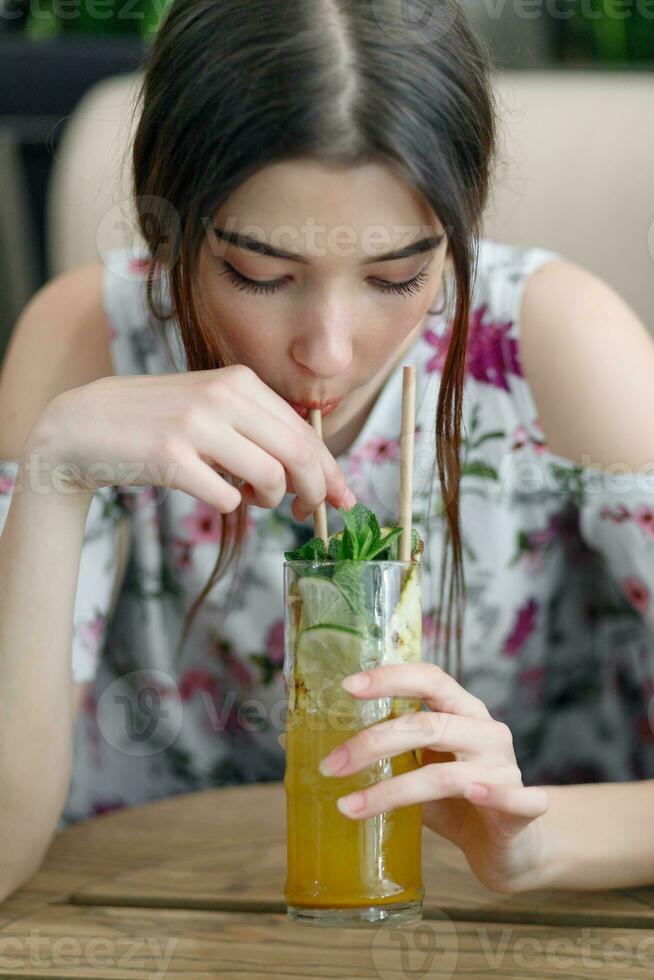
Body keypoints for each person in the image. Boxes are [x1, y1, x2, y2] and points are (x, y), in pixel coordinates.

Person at [1, 0, 654, 902]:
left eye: (397, 276)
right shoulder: (84, 344)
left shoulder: (556, 344)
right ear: (171, 230)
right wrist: (57, 468)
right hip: (149, 915)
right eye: (260, 275)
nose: (330, 351)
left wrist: (540, 842)